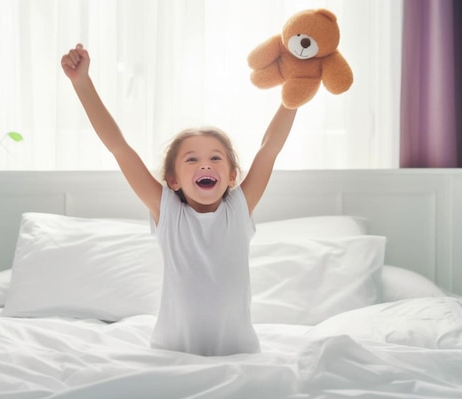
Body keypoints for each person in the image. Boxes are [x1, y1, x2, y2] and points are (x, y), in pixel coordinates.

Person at [61, 43, 297, 356]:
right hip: (172, 353)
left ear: (231, 176)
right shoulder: (168, 212)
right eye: (191, 160)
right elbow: (119, 148)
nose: (205, 165)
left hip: (238, 352)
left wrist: (296, 93)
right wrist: (82, 83)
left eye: (215, 158)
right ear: (173, 180)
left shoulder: (238, 209)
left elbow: (269, 149)